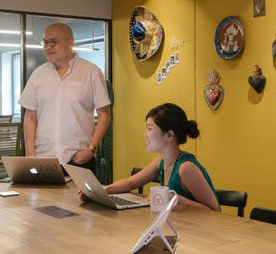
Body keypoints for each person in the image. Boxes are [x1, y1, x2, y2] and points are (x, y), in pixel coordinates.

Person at [19, 23, 111, 172]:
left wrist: (92, 149)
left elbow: (104, 114)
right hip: (44, 160)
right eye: (45, 42)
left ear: (70, 42)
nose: (48, 47)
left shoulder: (91, 72)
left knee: (78, 197)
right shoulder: (38, 74)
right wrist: (30, 156)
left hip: (79, 159)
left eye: (53, 42)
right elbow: (30, 116)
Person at [102, 103, 220, 211]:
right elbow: (130, 183)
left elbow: (215, 211)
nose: (145, 134)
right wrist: (104, 190)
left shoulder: (186, 168)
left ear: (169, 135)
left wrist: (175, 199)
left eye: (149, 128)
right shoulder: (161, 161)